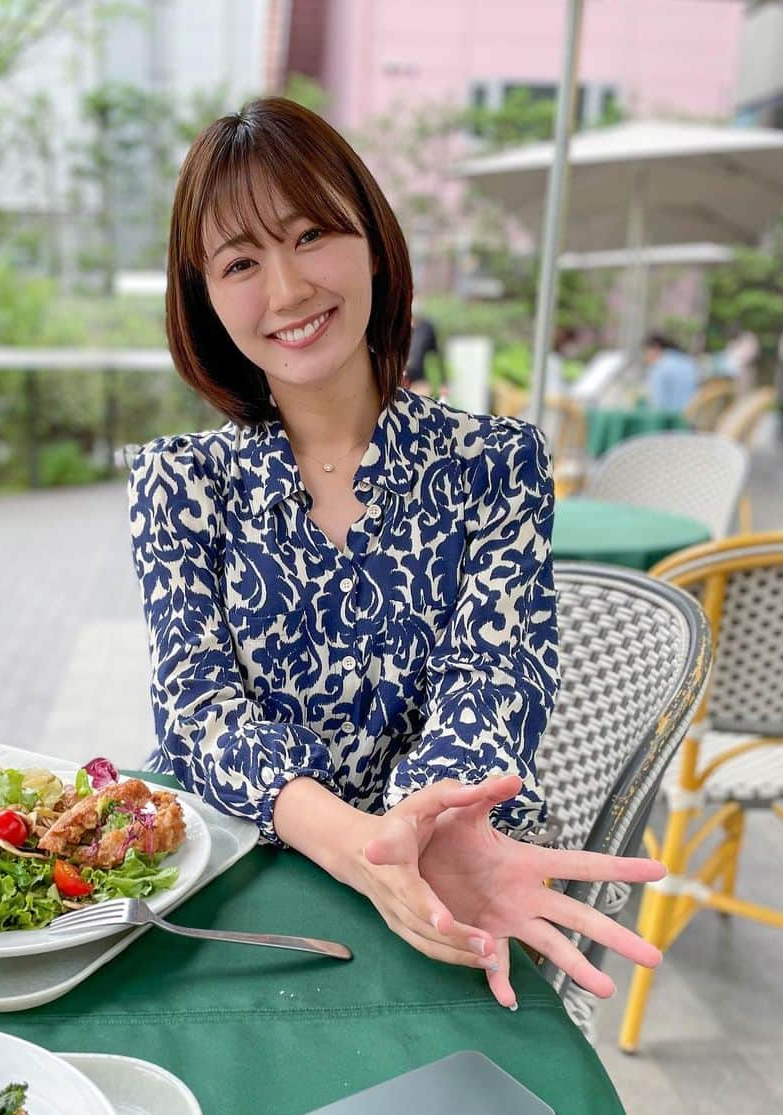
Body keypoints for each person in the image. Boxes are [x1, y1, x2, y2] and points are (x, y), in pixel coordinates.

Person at [128, 99, 663, 1011]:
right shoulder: (179, 481)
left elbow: (494, 677)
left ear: (371, 239)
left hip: (451, 869)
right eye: (241, 262)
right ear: (206, 298)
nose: (288, 290)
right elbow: (202, 714)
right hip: (237, 882)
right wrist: (362, 848)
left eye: (310, 235)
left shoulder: (497, 462)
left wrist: (421, 832)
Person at [643, 332, 699, 413]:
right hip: (691, 418)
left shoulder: (659, 367)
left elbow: (657, 405)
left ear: (655, 348)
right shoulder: (688, 362)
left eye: (646, 352)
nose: (645, 357)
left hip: (669, 421)